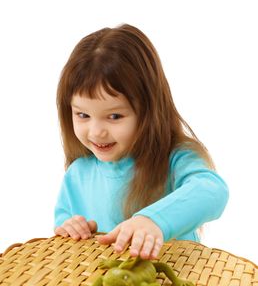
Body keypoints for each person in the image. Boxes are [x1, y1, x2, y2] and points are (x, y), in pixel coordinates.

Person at [54, 23, 229, 260]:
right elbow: (63, 228)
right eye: (82, 115)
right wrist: (71, 228)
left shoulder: (176, 158)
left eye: (114, 116)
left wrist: (154, 220)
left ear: (149, 111)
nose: (96, 132)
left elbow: (213, 191)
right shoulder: (77, 175)